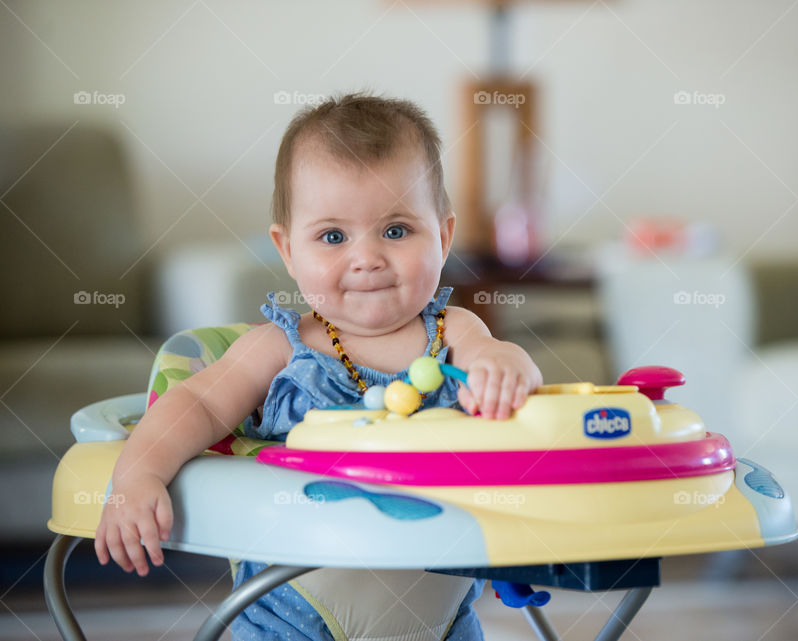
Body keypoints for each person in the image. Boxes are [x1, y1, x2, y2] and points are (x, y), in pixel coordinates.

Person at [94, 93, 543, 640]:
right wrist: (137, 476)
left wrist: (505, 367)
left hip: (439, 612)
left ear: (444, 236)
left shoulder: (454, 333)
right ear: (287, 251)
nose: (367, 257)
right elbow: (196, 403)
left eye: (397, 230)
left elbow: (502, 359)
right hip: (291, 612)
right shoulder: (280, 349)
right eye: (333, 236)